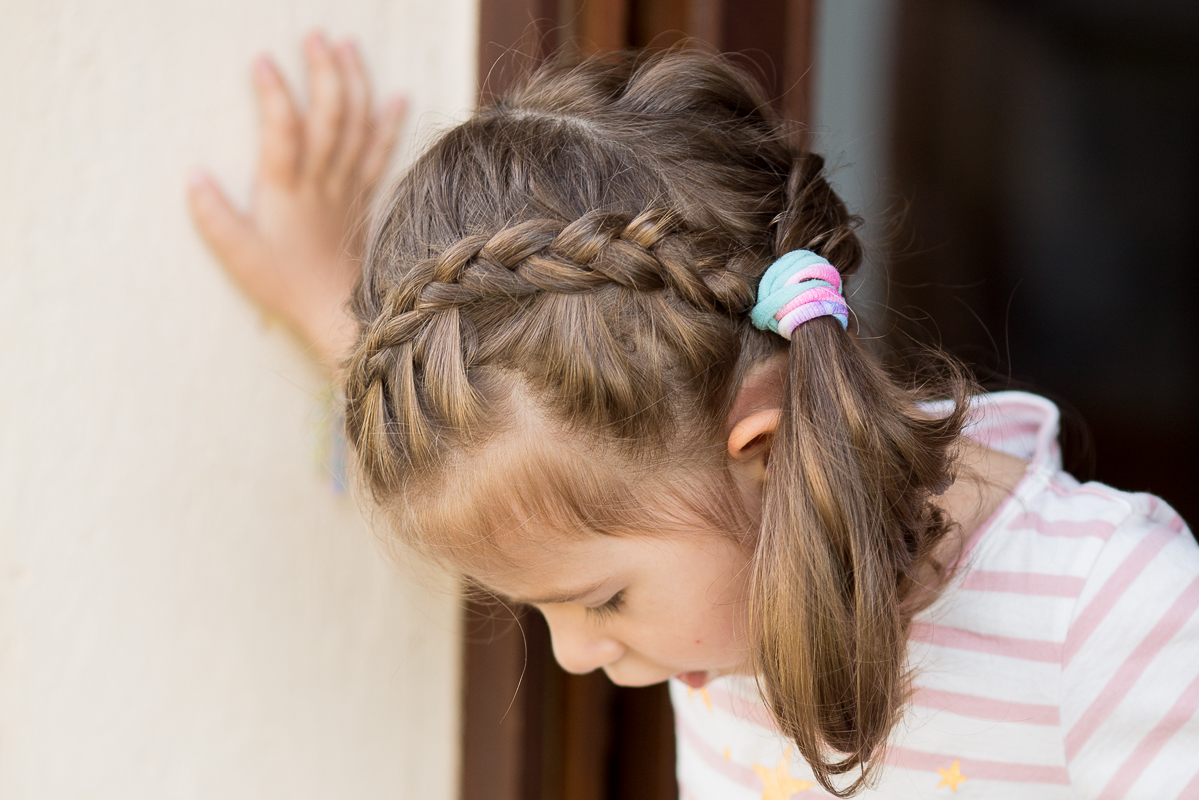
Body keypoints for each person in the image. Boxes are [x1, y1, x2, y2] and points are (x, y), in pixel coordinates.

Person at [188, 34, 1199, 799]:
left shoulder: (1111, 615)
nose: (576, 652)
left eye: (603, 598)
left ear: (757, 450)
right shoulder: (707, 546)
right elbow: (517, 459)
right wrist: (325, 292)